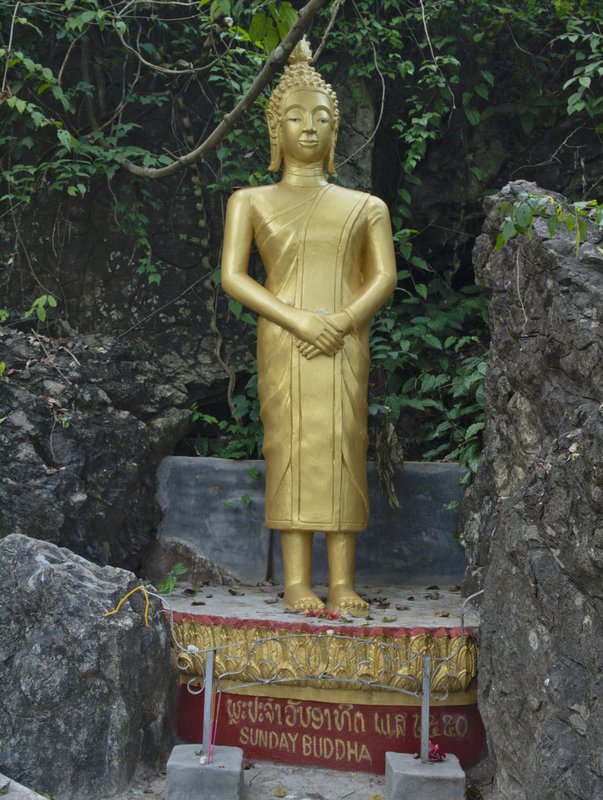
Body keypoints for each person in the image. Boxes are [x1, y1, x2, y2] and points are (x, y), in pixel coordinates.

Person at [221, 38, 397, 612]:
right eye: (294, 118)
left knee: (344, 443)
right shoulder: (249, 200)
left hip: (345, 342)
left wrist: (343, 321)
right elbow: (234, 277)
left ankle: (342, 581)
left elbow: (383, 278)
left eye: (320, 118)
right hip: (285, 339)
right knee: (291, 447)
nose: (307, 129)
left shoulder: (365, 206)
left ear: (336, 132)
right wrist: (297, 319)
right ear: (275, 130)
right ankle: (297, 581)